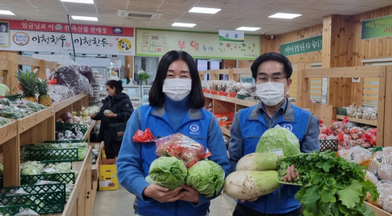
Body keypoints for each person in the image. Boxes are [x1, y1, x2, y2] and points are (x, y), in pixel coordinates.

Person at [117, 50, 230, 216]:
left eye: (184, 75)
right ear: (161, 79)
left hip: (194, 212)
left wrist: (201, 197)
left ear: (193, 81)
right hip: (149, 211)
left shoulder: (208, 120)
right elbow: (126, 164)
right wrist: (145, 188)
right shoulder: (141, 116)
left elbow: (222, 167)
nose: (177, 80)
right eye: (170, 75)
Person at [229, 52, 320, 216]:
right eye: (263, 78)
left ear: (288, 82)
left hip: (289, 209)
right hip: (248, 209)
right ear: (256, 82)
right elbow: (234, 160)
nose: (269, 83)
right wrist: (240, 190)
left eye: (276, 78)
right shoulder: (241, 118)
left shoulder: (306, 120)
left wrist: (300, 174)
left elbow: (313, 166)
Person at [91, 80, 133, 158]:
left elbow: (129, 115)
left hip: (118, 135)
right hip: (107, 135)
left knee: (119, 155)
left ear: (114, 88)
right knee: (109, 155)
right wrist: (95, 116)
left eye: (108, 89)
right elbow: (103, 113)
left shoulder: (124, 100)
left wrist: (115, 115)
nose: (107, 92)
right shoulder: (108, 100)